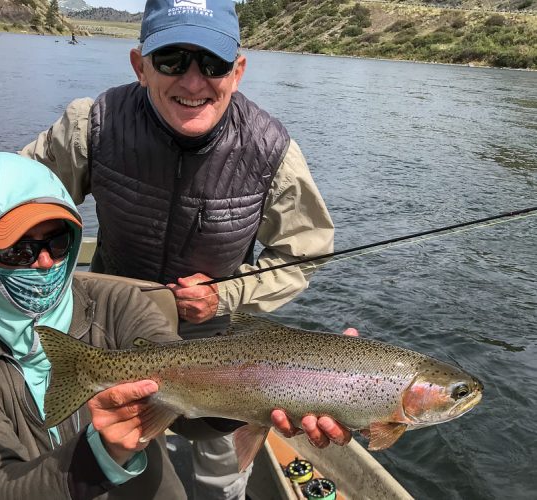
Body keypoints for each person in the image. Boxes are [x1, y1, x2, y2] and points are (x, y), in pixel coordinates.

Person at [20, 0, 351, 498]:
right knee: (115, 460)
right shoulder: (91, 124)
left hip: (222, 357)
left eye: (213, 64)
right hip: (108, 337)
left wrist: (229, 295)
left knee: (220, 474)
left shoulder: (272, 152)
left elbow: (306, 251)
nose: (193, 82)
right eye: (172, 59)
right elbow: (16, 201)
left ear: (237, 72)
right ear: (140, 65)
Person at [0, 152, 192, 499]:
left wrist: (247, 402)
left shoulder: (119, 304)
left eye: (58, 241)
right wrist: (99, 455)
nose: (45, 262)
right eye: (18, 251)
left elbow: (194, 397)